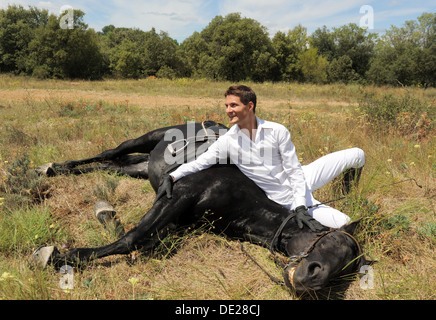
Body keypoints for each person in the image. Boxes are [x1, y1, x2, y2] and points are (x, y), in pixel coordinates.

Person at [156, 85, 365, 230]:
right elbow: (200, 163)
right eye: (227, 106)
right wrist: (172, 176)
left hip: (303, 176)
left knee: (357, 154)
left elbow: (293, 170)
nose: (228, 111)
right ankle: (323, 207)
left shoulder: (277, 131)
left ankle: (347, 191)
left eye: (234, 105)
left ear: (250, 106)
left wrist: (302, 204)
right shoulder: (227, 142)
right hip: (285, 199)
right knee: (347, 222)